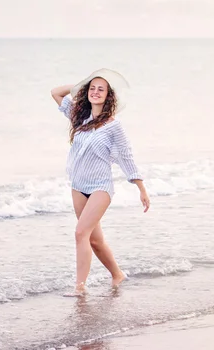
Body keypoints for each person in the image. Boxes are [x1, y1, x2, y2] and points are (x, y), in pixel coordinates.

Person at [51, 68, 150, 297]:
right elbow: (56, 93)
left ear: (108, 96)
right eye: (92, 88)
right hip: (78, 186)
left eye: (101, 89)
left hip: (100, 188)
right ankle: (117, 275)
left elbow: (126, 157)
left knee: (80, 233)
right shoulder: (79, 117)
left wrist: (141, 188)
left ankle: (79, 287)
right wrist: (80, 84)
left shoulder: (114, 126)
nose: (95, 92)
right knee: (95, 241)